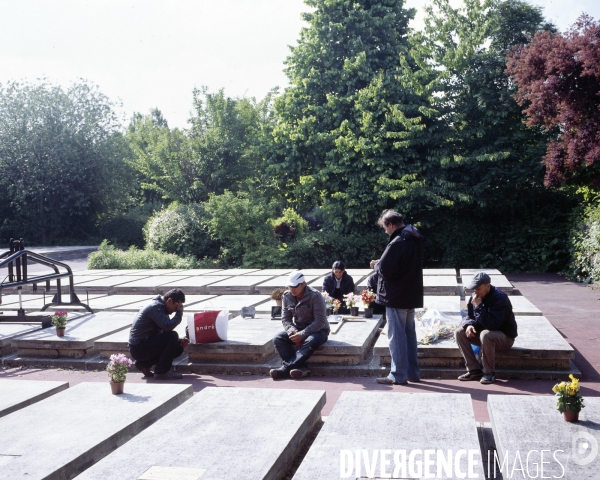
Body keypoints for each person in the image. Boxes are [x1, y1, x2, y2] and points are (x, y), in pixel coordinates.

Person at [370, 209, 424, 385]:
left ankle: (398, 375)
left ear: (391, 224)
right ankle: (412, 373)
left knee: (396, 337)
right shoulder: (414, 238)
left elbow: (385, 269)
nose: (385, 231)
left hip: (396, 296)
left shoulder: (398, 241)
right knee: (409, 334)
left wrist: (377, 265)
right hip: (410, 295)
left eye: (385, 227)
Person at [455, 272, 518, 384]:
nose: (475, 292)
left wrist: (479, 306)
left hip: (504, 338)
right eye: (474, 289)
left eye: (478, 289)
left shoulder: (500, 298)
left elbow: (492, 325)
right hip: (484, 335)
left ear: (488, 286)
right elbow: (469, 316)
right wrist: (469, 325)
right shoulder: (474, 297)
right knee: (460, 332)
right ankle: (474, 370)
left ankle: (489, 373)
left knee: (486, 334)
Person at [270, 271, 329, 380]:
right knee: (278, 338)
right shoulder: (286, 296)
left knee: (311, 340)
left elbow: (320, 321)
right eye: (290, 286)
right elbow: (285, 319)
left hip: (319, 330)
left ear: (303, 284)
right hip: (298, 328)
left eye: (295, 286)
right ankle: (302, 368)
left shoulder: (315, 296)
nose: (292, 289)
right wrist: (292, 332)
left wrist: (302, 335)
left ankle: (285, 369)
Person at [128, 288, 190, 380]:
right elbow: (167, 327)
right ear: (169, 301)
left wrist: (179, 341)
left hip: (143, 345)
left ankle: (144, 364)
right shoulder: (155, 307)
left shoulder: (160, 307)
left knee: (177, 348)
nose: (176, 310)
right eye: (176, 307)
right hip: (138, 348)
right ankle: (162, 372)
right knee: (172, 336)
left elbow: (163, 333)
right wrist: (179, 314)